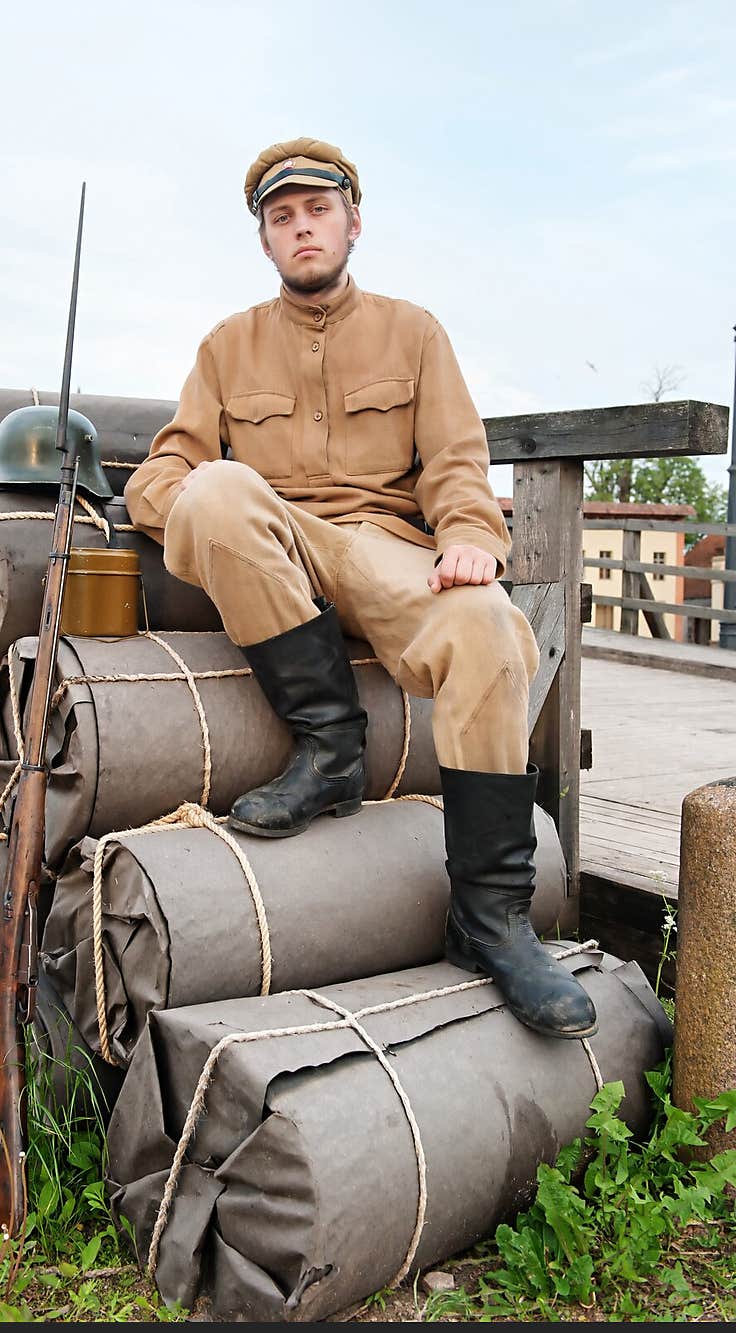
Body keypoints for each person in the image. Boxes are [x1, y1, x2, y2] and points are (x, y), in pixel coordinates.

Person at [124, 137, 597, 1040]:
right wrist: (191, 514)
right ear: (264, 242)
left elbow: (458, 462)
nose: (301, 228)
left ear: (353, 222)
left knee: (492, 631)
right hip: (277, 538)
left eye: (317, 211)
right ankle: (330, 750)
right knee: (218, 488)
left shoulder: (414, 330)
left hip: (386, 543)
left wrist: (466, 538)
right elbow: (168, 469)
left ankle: (491, 915)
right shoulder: (226, 347)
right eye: (281, 217)